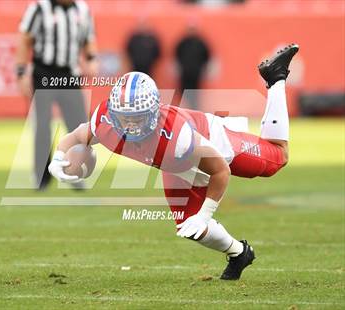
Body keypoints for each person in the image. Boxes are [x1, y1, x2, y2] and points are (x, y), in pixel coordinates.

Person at [48, 44, 299, 280]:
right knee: (189, 226)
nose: (129, 126)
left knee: (277, 159)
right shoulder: (105, 121)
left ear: (153, 113)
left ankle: (275, 79)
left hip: (212, 142)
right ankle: (240, 253)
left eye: (137, 118)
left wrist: (206, 213)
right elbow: (79, 135)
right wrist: (58, 157)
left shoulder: (177, 136)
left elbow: (220, 170)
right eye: (124, 118)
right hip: (174, 165)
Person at [16, 0, 98, 190]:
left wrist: (92, 59)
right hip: (43, 73)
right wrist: (21, 72)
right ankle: (41, 177)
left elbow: (89, 39)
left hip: (70, 73)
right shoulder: (38, 8)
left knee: (79, 127)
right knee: (43, 126)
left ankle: (75, 173)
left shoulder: (82, 9)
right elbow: (24, 39)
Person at [175, 25, 211, 110]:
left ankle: (194, 108)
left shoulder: (200, 43)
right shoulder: (183, 42)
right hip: (185, 72)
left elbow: (206, 56)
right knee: (183, 90)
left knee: (195, 92)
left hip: (196, 73)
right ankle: (187, 107)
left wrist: (204, 68)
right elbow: (177, 54)